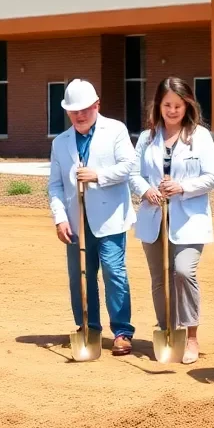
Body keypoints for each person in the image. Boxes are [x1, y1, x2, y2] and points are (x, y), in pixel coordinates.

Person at [130, 77, 214, 364]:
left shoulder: (200, 136)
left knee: (183, 271)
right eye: (167, 104)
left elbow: (212, 177)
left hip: (188, 219)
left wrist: (183, 187)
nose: (172, 110)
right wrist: (146, 190)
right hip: (154, 217)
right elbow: (134, 174)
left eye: (178, 105)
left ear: (187, 105)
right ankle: (167, 330)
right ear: (158, 105)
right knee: (159, 279)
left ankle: (191, 336)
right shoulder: (147, 138)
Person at [47, 79, 136, 355]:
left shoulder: (116, 131)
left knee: (113, 271)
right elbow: (55, 185)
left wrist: (99, 175)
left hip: (110, 217)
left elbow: (129, 166)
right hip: (75, 221)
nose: (80, 115)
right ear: (67, 112)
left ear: (97, 105)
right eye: (74, 111)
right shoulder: (61, 143)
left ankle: (122, 331)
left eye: (85, 108)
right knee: (80, 275)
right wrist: (60, 218)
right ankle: (88, 326)